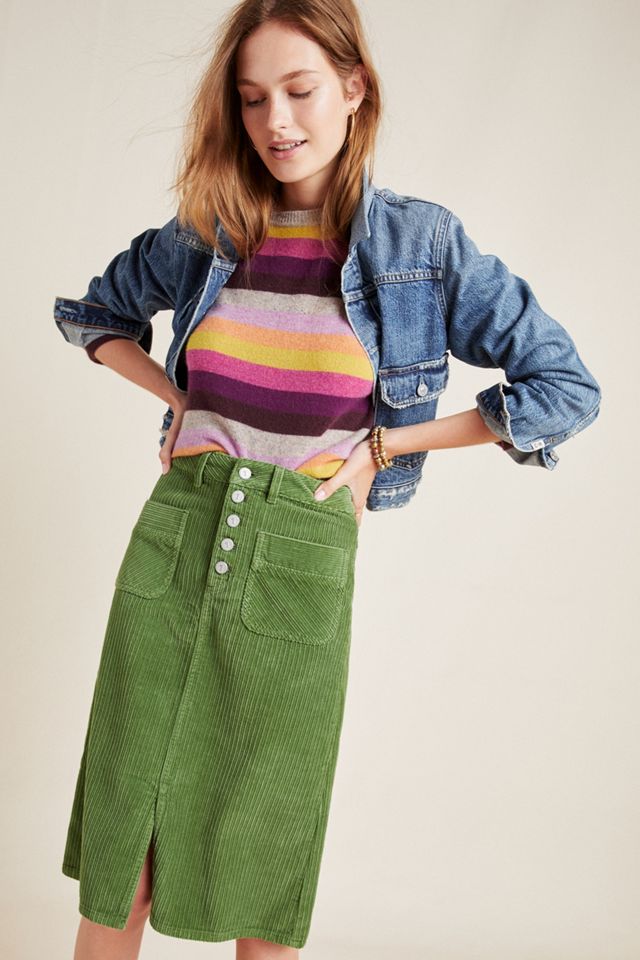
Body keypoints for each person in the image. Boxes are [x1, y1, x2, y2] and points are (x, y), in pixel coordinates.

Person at [53, 1, 601, 958]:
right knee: (121, 862)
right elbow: (94, 315)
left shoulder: (420, 249)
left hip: (298, 556)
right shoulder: (210, 230)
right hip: (176, 537)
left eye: (300, 90)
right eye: (253, 98)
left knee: (262, 870)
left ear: (354, 89)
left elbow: (564, 388)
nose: (276, 122)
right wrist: (178, 399)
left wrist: (388, 447)